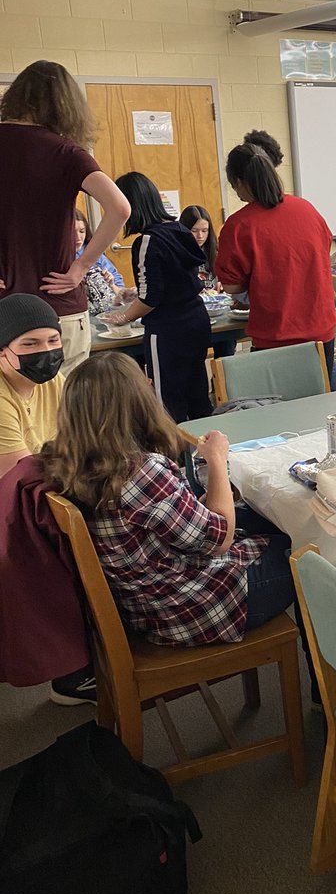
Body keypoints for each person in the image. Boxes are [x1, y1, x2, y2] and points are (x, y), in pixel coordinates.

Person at [40, 353, 296, 647]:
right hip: (191, 607)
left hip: (146, 601)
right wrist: (216, 459)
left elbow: (176, 519)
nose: (150, 383)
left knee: (269, 518)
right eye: (143, 382)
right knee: (309, 551)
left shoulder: (73, 462)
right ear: (135, 402)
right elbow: (220, 537)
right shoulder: (141, 471)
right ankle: (324, 683)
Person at [0, 60, 130, 374]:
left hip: (5, 307)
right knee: (67, 412)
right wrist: (82, 266)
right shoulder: (66, 152)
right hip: (58, 303)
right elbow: (120, 208)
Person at [215, 143, 336, 383]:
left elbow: (231, 286)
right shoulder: (306, 209)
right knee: (319, 400)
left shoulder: (239, 225)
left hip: (276, 334)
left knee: (277, 411)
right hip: (320, 328)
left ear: (239, 182)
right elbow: (322, 252)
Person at [106, 172, 211, 423]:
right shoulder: (179, 230)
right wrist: (136, 294)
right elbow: (174, 281)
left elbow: (151, 299)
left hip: (169, 329)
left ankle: (174, 458)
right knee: (197, 393)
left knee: (167, 401)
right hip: (196, 320)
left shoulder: (147, 241)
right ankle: (206, 454)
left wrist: (123, 317)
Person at [0, 294, 65, 481]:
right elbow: (22, 480)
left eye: (53, 340)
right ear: (2, 351)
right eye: (30, 343)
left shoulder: (54, 381)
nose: (46, 351)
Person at [74, 209, 124, 286]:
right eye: (72, 232)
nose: (78, 237)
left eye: (82, 231)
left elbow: (119, 284)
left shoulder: (92, 251)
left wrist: (111, 282)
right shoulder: (57, 256)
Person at [179, 204, 221, 292]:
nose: (200, 236)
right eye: (194, 231)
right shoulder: (176, 253)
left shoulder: (216, 251)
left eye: (205, 230)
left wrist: (222, 283)